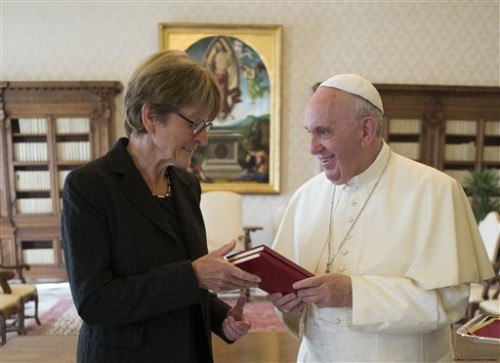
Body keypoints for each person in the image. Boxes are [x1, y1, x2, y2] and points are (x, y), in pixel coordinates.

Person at [267, 74, 494, 362]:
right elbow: (289, 296)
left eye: (323, 132)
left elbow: (448, 303)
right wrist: (289, 305)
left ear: (366, 130)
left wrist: (354, 293)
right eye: (309, 132)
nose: (312, 147)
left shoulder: (435, 191)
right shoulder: (306, 196)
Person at [61, 49, 261, 363]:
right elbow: (95, 301)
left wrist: (221, 317)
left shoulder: (186, 185)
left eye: (207, 125)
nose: (204, 138)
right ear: (150, 116)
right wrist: (194, 275)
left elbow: (186, 281)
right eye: (195, 124)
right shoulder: (89, 186)